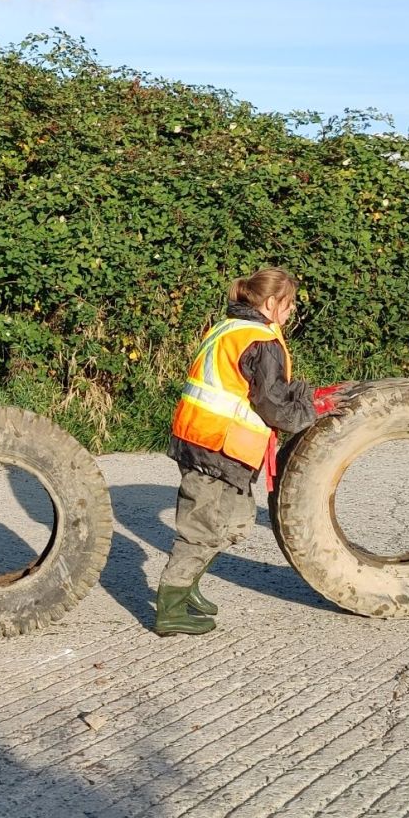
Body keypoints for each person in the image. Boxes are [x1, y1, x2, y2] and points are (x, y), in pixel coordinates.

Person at [155, 268, 347, 637]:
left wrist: (307, 395)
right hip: (217, 446)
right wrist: (313, 411)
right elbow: (273, 406)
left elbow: (261, 389)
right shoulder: (260, 341)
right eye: (289, 306)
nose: (290, 314)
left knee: (234, 519)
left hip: (202, 439)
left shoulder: (229, 328)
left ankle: (188, 585)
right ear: (272, 303)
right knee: (204, 526)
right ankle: (170, 606)